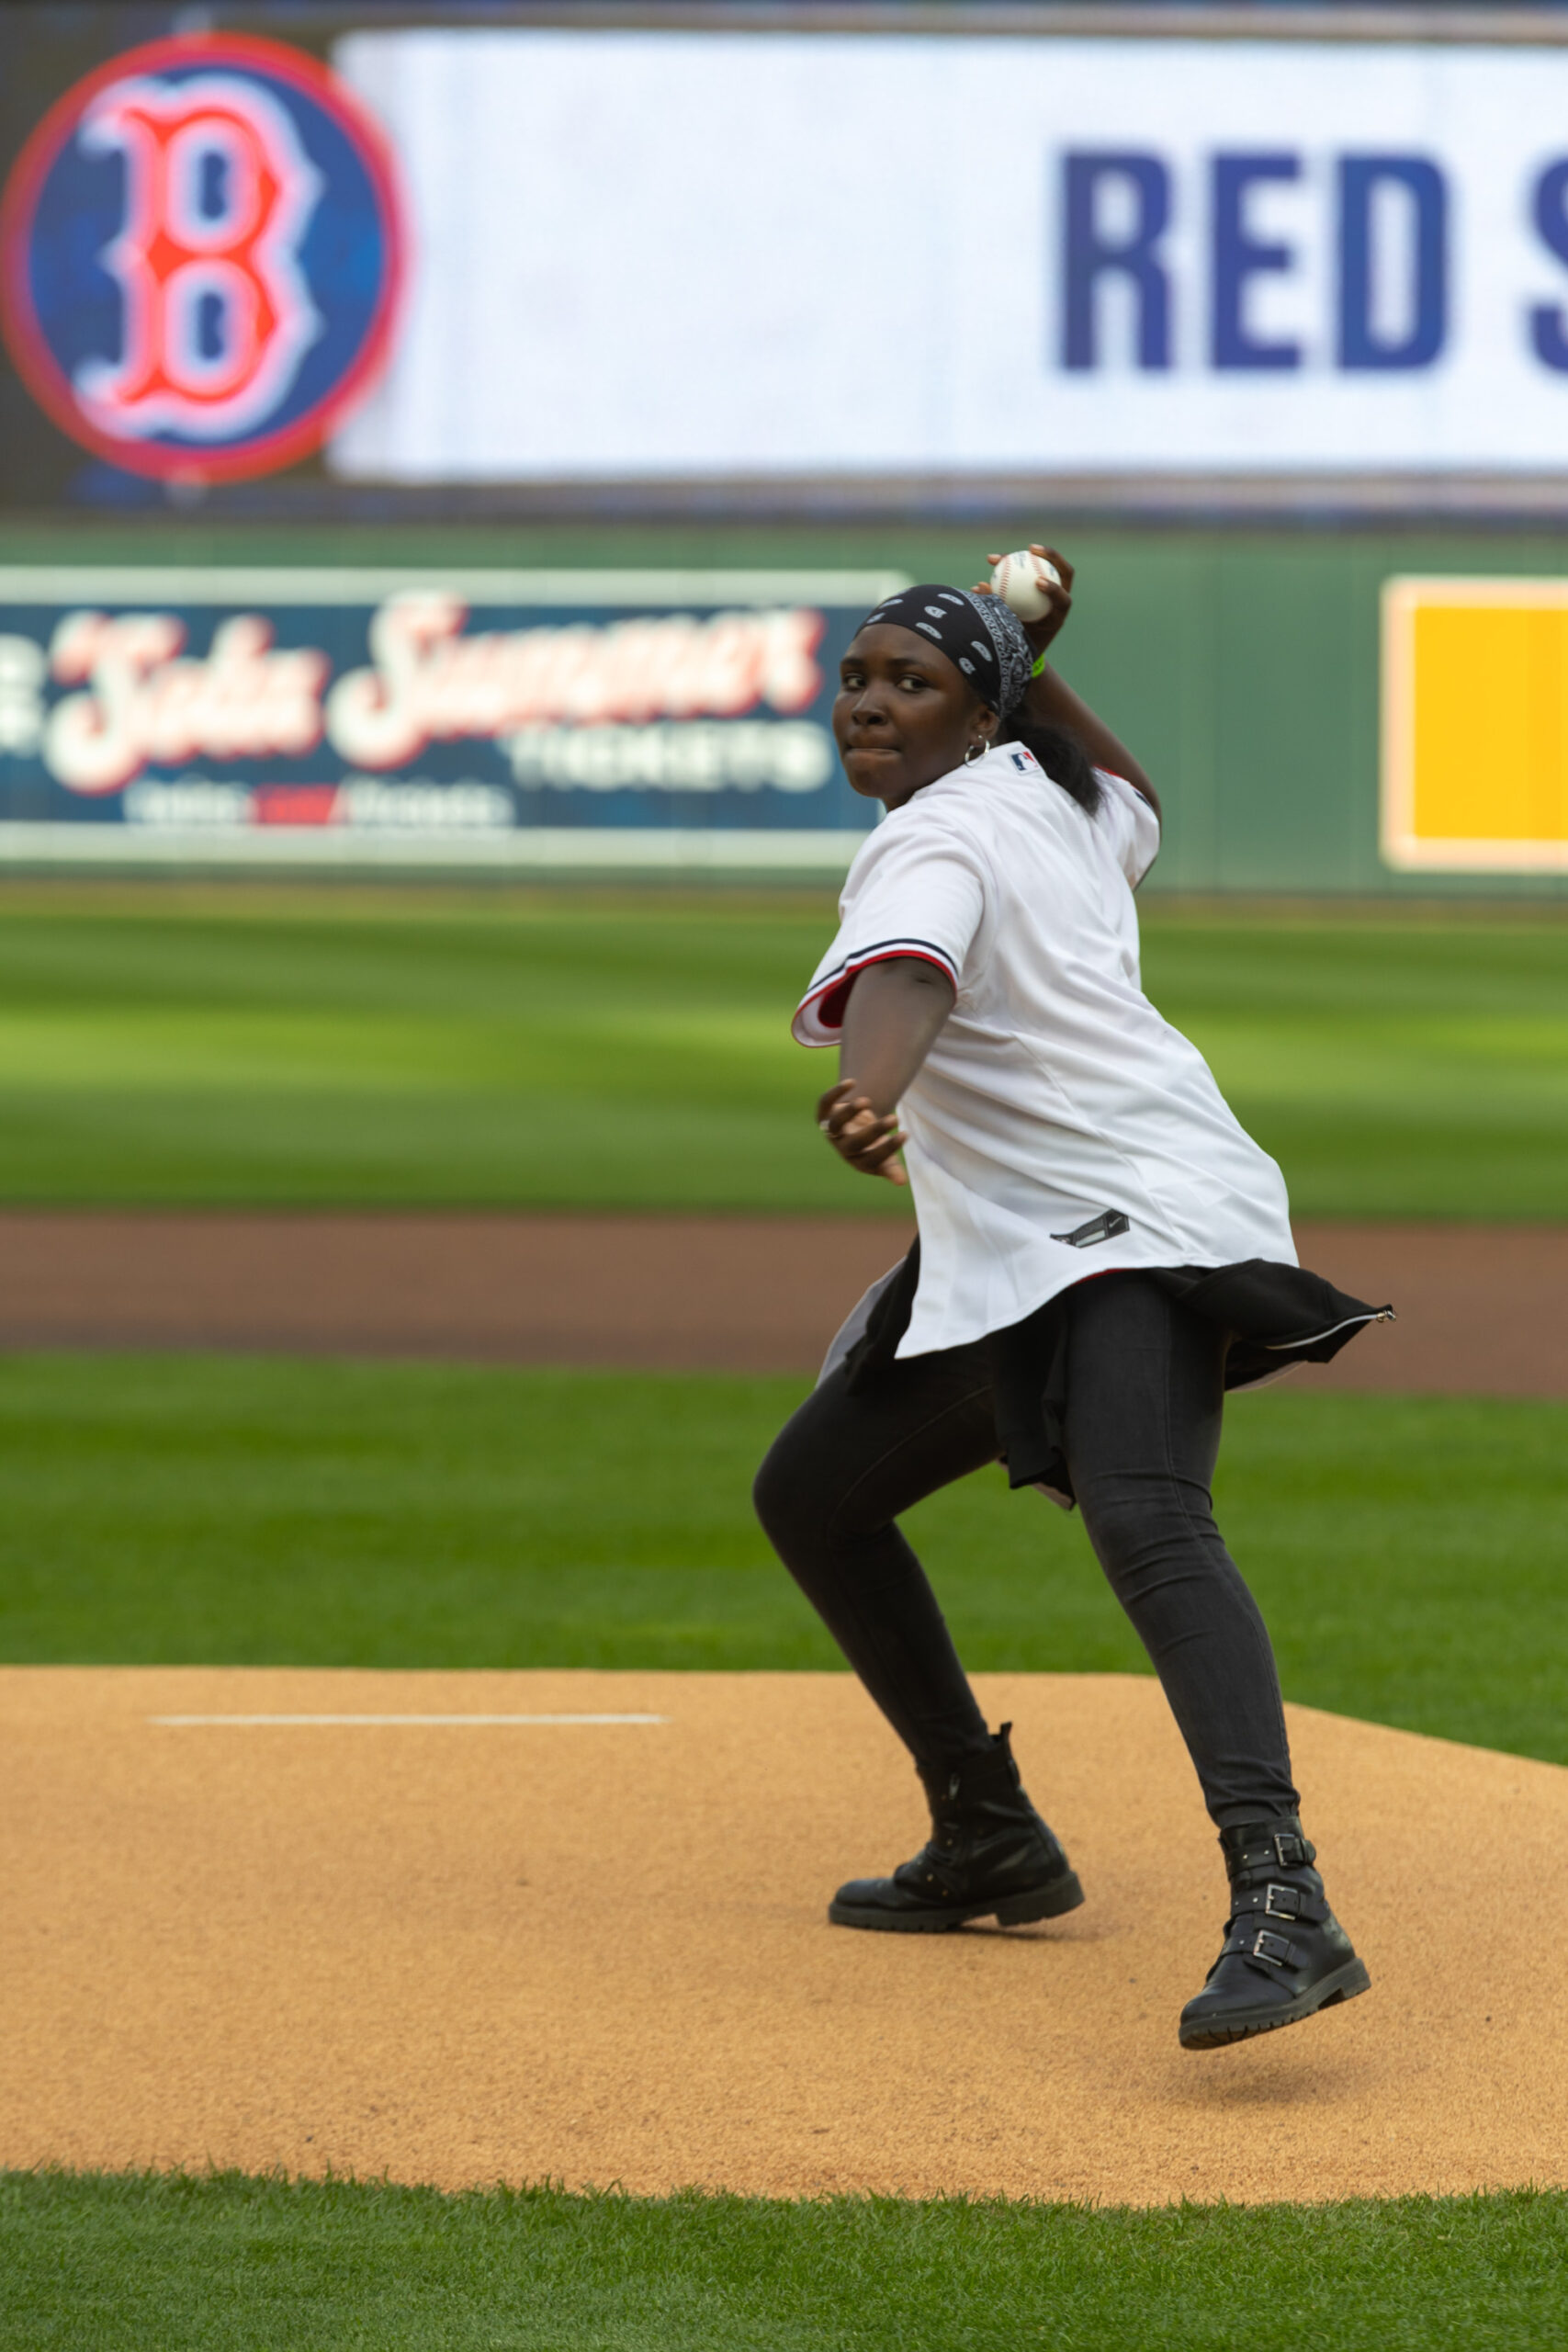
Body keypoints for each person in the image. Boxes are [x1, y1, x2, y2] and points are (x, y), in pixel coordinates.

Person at [752, 547, 1389, 2051]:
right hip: (1040, 1242)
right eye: (857, 676)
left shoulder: (937, 845)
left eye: (912, 681)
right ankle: (988, 1831)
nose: (868, 703)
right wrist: (1034, 653)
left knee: (1146, 1512)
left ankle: (1286, 1902)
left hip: (1138, 1225)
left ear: (981, 718)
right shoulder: (1047, 802)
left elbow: (906, 976)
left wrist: (868, 1091)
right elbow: (1137, 794)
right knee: (816, 1493)